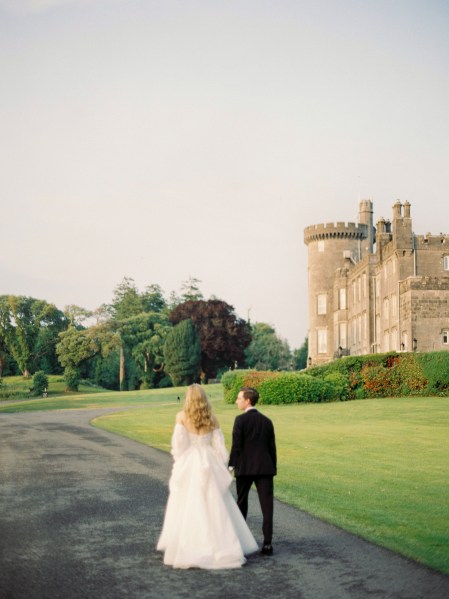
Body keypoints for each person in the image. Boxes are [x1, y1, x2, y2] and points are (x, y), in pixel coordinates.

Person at [157, 384, 258, 569]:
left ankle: (189, 545)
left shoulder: (181, 417)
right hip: (208, 461)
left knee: (187, 503)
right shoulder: (212, 418)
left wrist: (180, 462)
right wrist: (219, 466)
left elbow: (179, 446)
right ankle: (221, 544)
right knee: (214, 503)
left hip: (190, 461)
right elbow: (220, 448)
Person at [229, 387, 277, 556]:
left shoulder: (240, 420)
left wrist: (230, 465)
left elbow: (236, 446)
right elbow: (272, 448)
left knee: (241, 504)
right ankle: (268, 544)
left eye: (239, 398)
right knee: (267, 506)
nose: (237, 401)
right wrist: (273, 468)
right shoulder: (267, 421)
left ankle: (240, 542)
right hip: (265, 468)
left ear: (247, 400)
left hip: (245, 468)